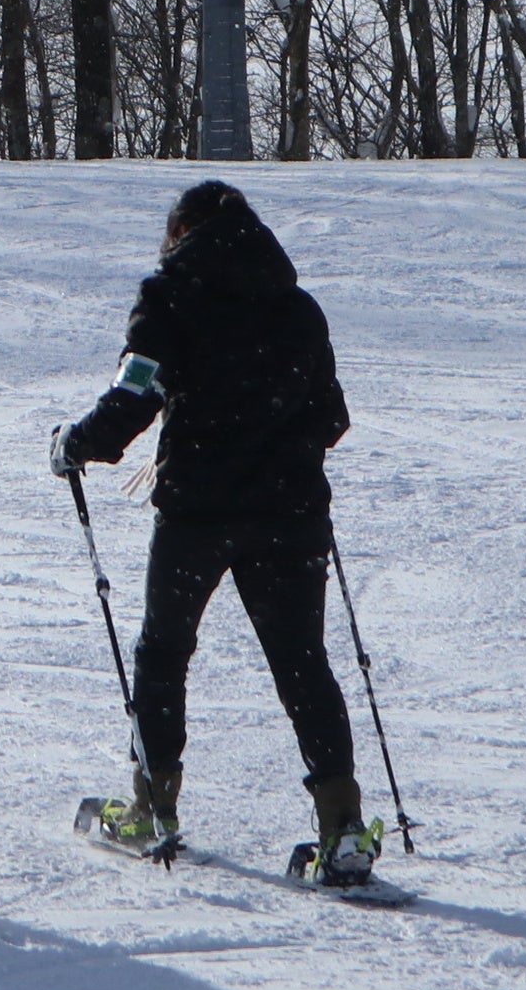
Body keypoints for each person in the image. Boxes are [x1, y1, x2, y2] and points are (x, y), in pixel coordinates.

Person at [52, 178, 372, 883]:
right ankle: (342, 829)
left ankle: (154, 807)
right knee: (302, 662)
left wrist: (78, 444)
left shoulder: (170, 296)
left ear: (181, 233)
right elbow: (332, 419)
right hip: (290, 513)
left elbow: (136, 394)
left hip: (198, 510)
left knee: (164, 651)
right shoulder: (296, 308)